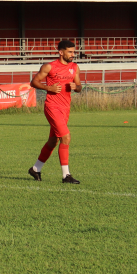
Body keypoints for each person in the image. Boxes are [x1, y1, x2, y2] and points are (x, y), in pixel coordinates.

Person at [28, 40, 82, 184]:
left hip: (65, 108)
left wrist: (75, 87)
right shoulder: (49, 67)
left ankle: (35, 169)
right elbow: (34, 82)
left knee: (53, 141)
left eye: (73, 51)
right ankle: (66, 176)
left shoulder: (74, 67)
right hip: (52, 107)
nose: (73, 54)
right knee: (66, 137)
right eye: (70, 52)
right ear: (61, 52)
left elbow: (79, 86)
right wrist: (49, 88)